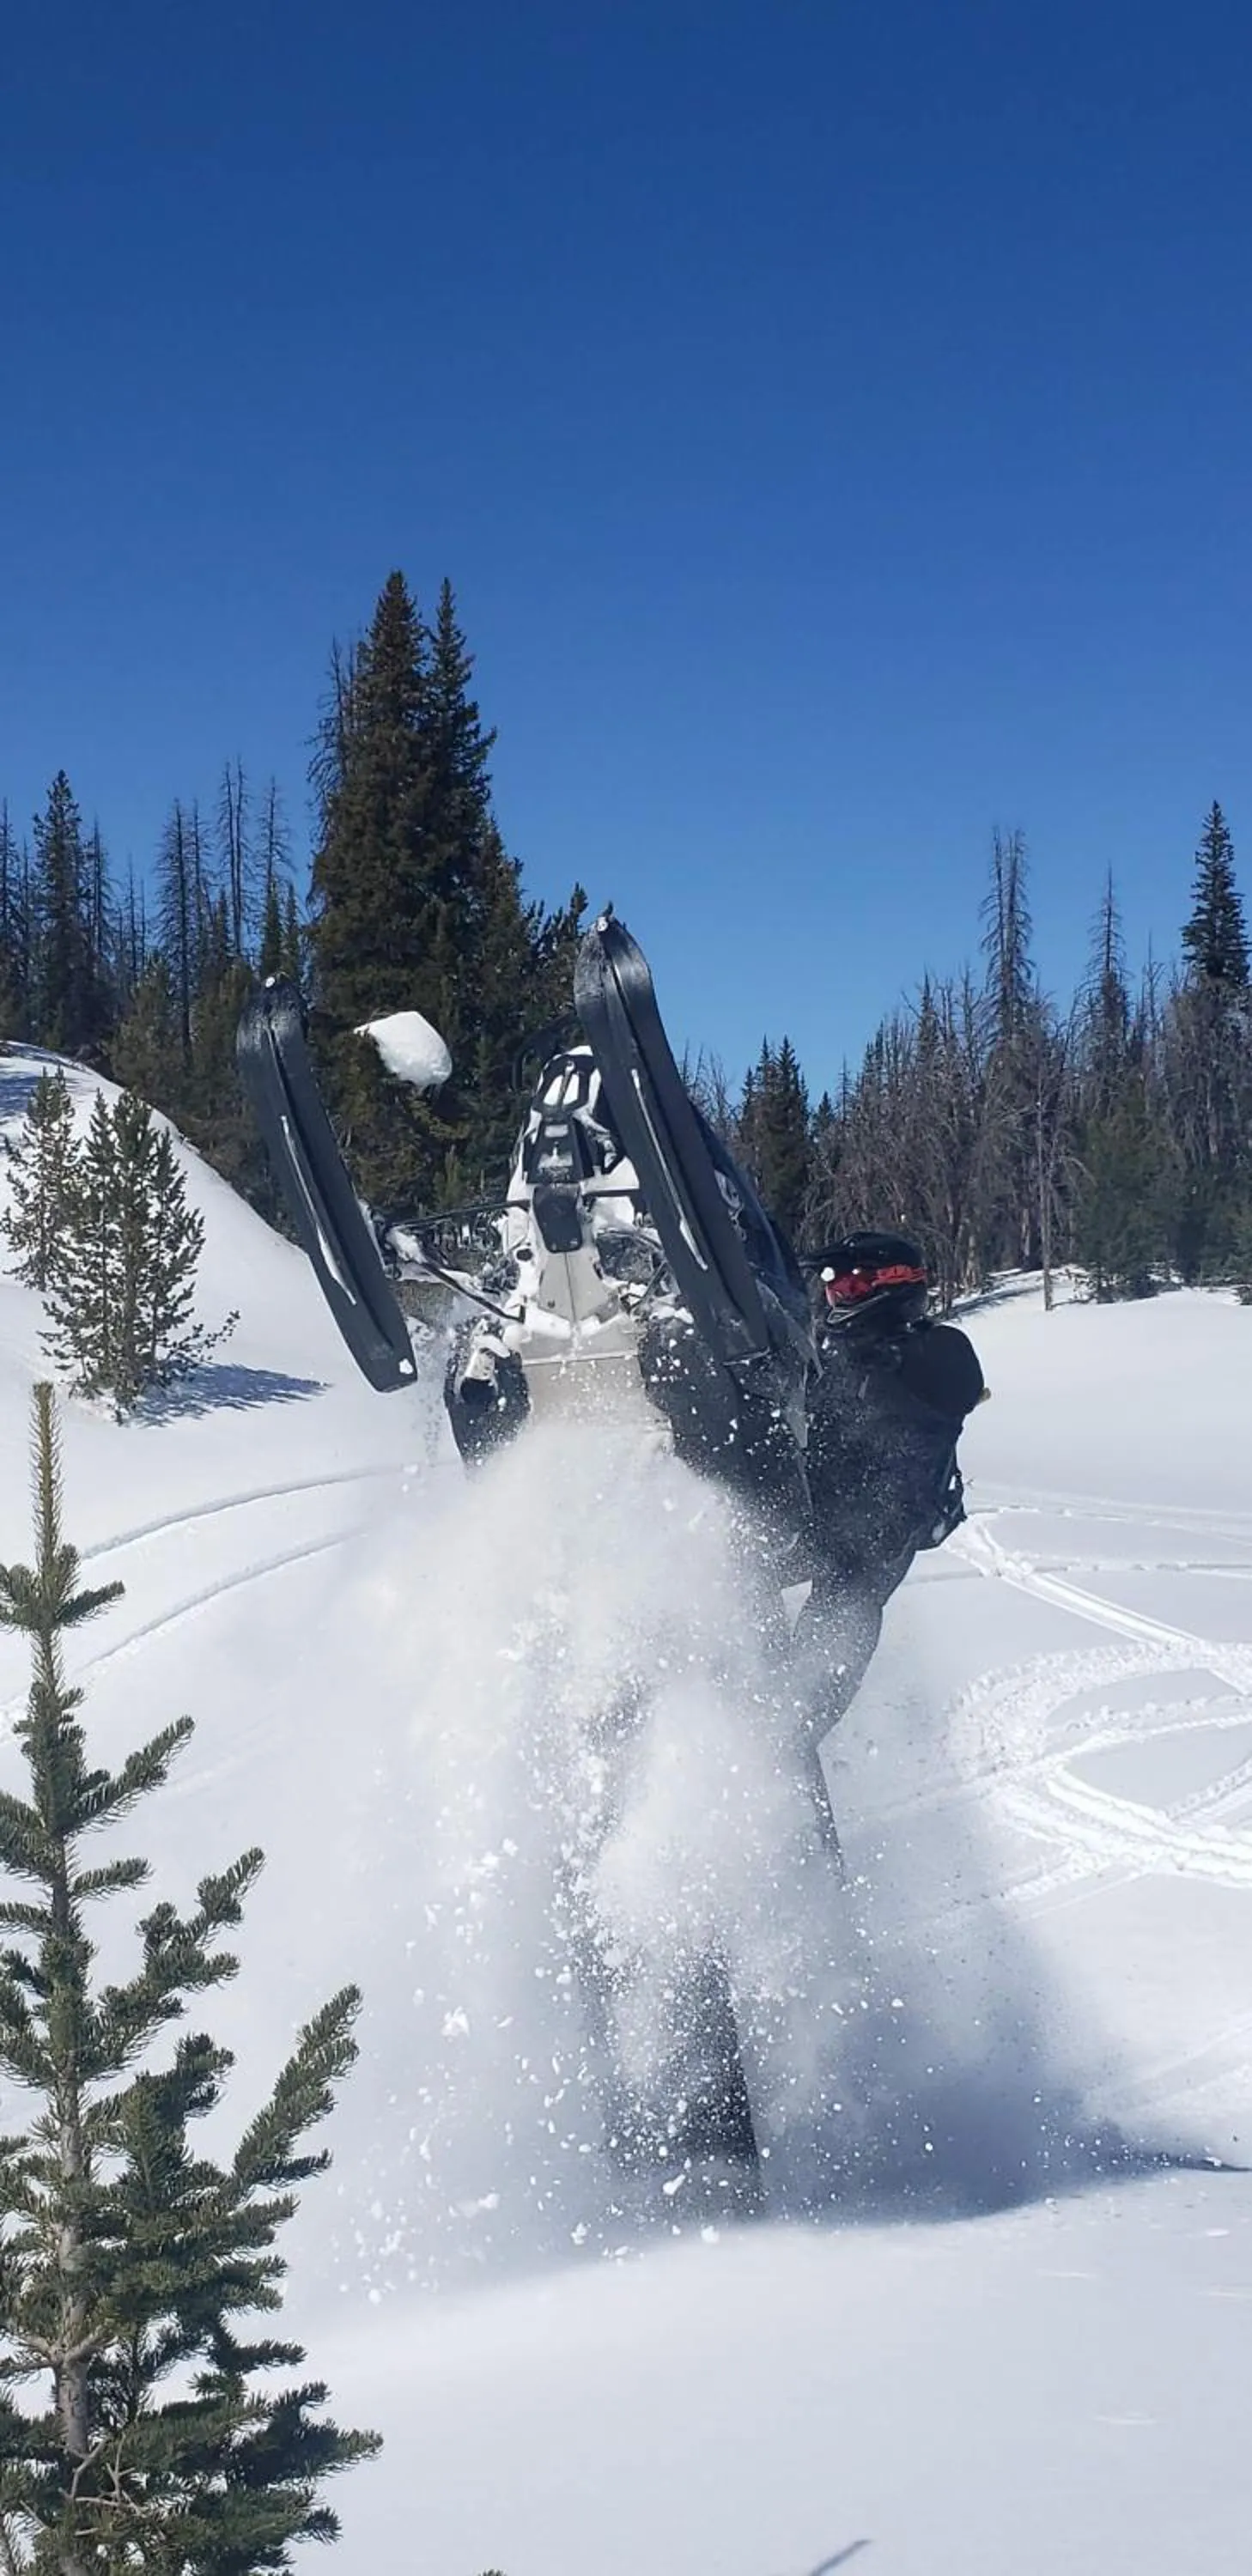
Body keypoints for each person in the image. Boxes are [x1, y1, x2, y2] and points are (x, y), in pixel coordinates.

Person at [796, 1229, 987, 1728]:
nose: (840, 1298)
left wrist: (848, 1368)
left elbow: (931, 1395)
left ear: (894, 1287)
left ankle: (789, 1737)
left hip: (877, 1534)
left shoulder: (936, 1350)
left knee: (830, 1644)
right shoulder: (834, 1352)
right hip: (819, 1513)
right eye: (834, 1289)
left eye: (853, 1288)